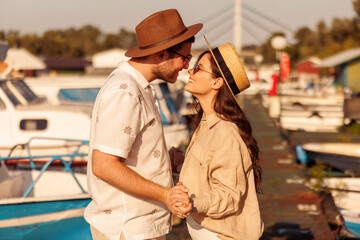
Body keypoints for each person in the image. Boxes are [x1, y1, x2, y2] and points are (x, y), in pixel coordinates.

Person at [84, 9, 203, 240]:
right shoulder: (125, 91)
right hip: (128, 228)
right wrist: (167, 195)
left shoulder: (137, 86)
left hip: (137, 226)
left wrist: (164, 160)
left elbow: (128, 154)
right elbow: (104, 165)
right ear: (161, 54)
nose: (187, 67)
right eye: (185, 58)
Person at [171, 38, 264, 240]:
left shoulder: (226, 131)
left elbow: (229, 195)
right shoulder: (206, 123)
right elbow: (210, 174)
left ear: (217, 82)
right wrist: (181, 166)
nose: (191, 71)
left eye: (199, 68)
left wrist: (193, 204)